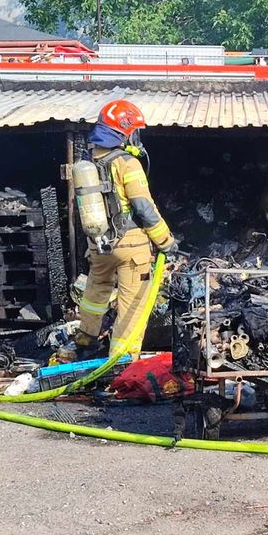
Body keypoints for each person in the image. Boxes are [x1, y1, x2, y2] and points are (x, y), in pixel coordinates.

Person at [76, 99, 179, 358]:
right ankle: (122, 360)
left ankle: (85, 340)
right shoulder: (127, 163)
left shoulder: (89, 161)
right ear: (124, 132)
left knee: (95, 291)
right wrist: (166, 241)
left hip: (99, 244)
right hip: (131, 247)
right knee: (133, 302)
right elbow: (143, 208)